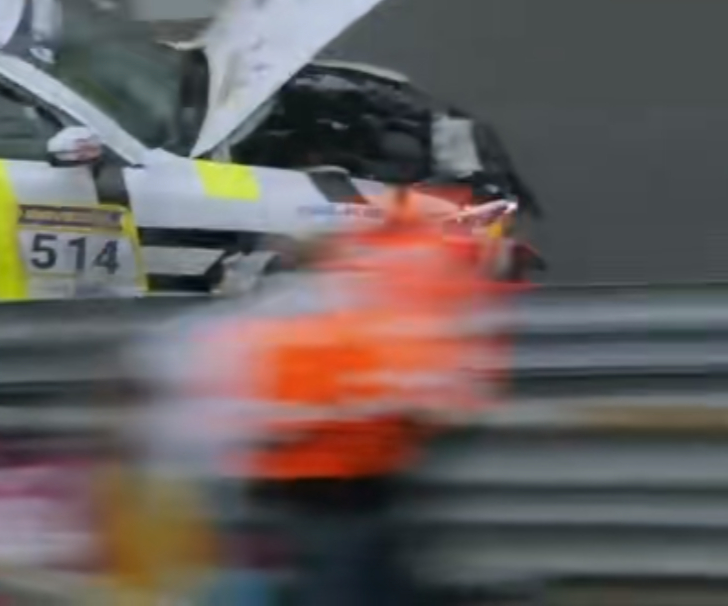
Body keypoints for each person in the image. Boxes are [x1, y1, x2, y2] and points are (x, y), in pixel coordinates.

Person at [137, 194, 513, 606]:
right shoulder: (340, 308)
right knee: (349, 578)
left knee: (354, 575)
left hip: (316, 479)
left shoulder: (272, 314)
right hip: (336, 479)